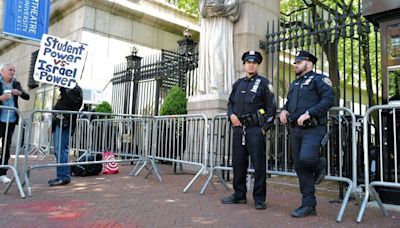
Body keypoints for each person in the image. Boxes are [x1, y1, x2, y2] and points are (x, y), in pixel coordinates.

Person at [278, 50, 334, 218]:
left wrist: (310, 112)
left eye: (298, 62)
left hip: (313, 128)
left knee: (307, 159)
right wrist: (283, 110)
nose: (295, 65)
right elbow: (288, 103)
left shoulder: (319, 80)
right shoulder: (294, 84)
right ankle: (308, 205)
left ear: (309, 63)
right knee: (300, 166)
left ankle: (319, 165)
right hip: (295, 129)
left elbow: (329, 99)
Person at [222, 50, 276, 210]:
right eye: (248, 62)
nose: (251, 64)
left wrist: (265, 128)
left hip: (255, 130)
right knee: (238, 163)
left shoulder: (265, 83)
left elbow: (271, 108)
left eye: (254, 62)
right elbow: (230, 103)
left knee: (259, 165)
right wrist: (231, 115)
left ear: (258, 65)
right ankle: (239, 195)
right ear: (244, 64)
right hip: (239, 129)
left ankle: (259, 198)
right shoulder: (238, 84)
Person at [198, 0, 239, 94]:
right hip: (207, 22)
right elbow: (201, 6)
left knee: (215, 51)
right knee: (206, 55)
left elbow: (234, 4)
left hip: (221, 20)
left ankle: (217, 87)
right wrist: (204, 8)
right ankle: (206, 88)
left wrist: (222, 8)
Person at [0, 63, 30, 183]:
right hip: (0, 120)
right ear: (2, 71)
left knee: (6, 148)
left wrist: (20, 93)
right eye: (10, 70)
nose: (12, 72)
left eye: (14, 70)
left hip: (11, 121)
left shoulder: (16, 83)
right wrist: (0, 98)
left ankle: (2, 174)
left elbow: (27, 96)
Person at [48, 84, 83, 186]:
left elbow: (70, 104)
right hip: (59, 124)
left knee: (61, 150)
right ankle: (63, 175)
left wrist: (63, 88)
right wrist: (52, 125)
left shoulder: (75, 90)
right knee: (58, 150)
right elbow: (58, 109)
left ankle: (63, 177)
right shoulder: (66, 91)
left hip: (65, 124)